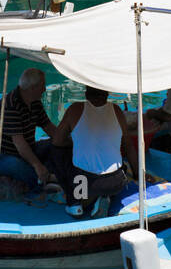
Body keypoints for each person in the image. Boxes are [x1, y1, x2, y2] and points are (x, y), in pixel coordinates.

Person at [56, 87, 133, 217]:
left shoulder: (75, 109)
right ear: (107, 94)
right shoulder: (117, 110)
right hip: (115, 182)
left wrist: (75, 142)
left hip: (84, 182)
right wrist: (138, 175)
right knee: (107, 172)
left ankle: (75, 204)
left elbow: (57, 141)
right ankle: (103, 196)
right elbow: (129, 146)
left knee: (56, 151)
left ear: (86, 94)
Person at [0, 68, 68, 189]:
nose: (45, 89)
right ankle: (48, 180)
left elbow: (49, 128)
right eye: (42, 86)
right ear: (32, 88)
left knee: (56, 144)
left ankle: (50, 177)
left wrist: (68, 141)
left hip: (29, 149)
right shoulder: (10, 106)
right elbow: (20, 144)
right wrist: (37, 165)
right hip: (3, 156)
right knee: (16, 166)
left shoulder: (35, 102)